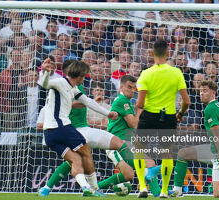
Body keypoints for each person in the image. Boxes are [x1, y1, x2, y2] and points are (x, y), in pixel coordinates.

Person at [37, 60, 134, 196]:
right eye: (84, 75)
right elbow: (46, 85)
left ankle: (49, 188)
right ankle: (95, 188)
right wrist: (46, 73)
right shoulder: (60, 83)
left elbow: (87, 101)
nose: (86, 78)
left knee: (75, 159)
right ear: (78, 74)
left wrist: (107, 113)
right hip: (69, 128)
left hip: (72, 129)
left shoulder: (75, 87)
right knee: (83, 153)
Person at [134, 40, 190, 198]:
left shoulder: (146, 73)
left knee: (139, 150)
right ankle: (164, 190)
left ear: (152, 53)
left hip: (149, 115)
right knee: (167, 153)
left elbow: (139, 103)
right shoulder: (176, 72)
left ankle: (143, 187)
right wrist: (180, 114)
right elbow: (186, 101)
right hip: (169, 117)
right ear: (167, 53)